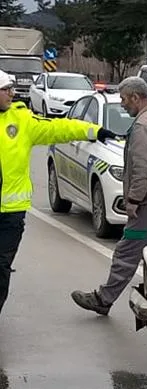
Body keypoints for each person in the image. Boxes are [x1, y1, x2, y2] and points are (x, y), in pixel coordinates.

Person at [0, 69, 116, 318]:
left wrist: (93, 131)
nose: (11, 93)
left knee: (0, 269)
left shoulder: (21, 121)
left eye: (11, 88)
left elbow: (58, 128)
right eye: (5, 89)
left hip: (10, 215)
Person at [71, 77, 147, 316]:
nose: (123, 105)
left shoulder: (143, 125)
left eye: (124, 99)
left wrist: (133, 199)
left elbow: (144, 167)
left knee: (127, 251)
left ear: (136, 97)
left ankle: (104, 299)